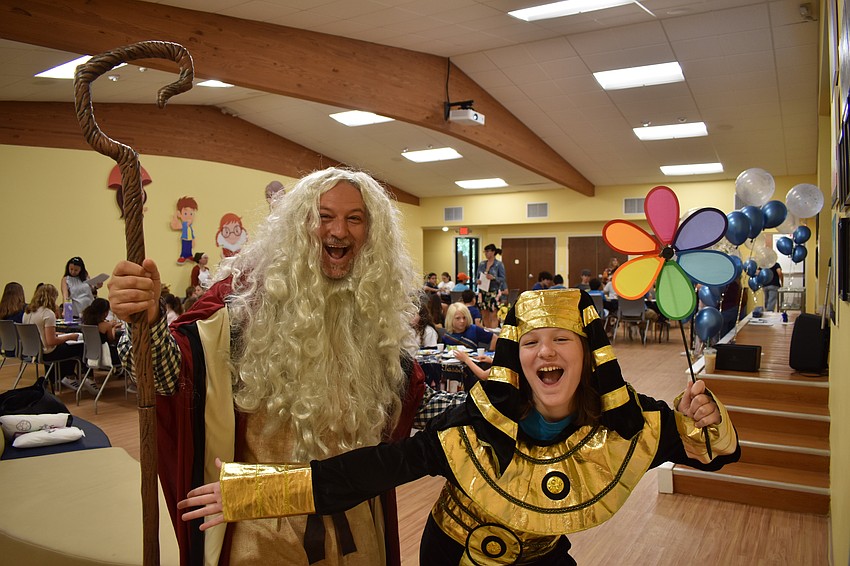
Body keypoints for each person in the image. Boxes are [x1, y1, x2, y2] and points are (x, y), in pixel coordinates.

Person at [180, 289, 740, 565]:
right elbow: (376, 470)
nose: (545, 352)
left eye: (561, 340)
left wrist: (705, 418)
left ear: (587, 352)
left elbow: (713, 454)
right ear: (516, 355)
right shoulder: (477, 422)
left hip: (540, 558)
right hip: (454, 556)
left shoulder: (624, 420)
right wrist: (256, 491)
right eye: (531, 342)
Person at [108, 167, 464, 566]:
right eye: (324, 216)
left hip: (355, 528)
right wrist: (144, 323)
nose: (339, 231)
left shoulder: (375, 314)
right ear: (299, 224)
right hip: (260, 529)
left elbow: (410, 403)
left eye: (355, 218)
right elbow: (165, 376)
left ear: (372, 233)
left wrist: (486, 405)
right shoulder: (243, 305)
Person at [23, 284, 87, 391]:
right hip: (48, 352)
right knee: (80, 347)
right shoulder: (48, 314)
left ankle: (56, 378)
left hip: (34, 351)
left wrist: (58, 334)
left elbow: (39, 332)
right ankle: (70, 376)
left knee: (65, 345)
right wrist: (69, 336)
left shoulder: (27, 312)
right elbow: (51, 341)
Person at [81, 297, 123, 366]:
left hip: (91, 356)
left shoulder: (86, 324)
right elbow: (111, 340)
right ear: (105, 313)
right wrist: (113, 328)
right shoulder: (106, 325)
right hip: (106, 356)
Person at [476, 244, 507, 326]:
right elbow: (477, 277)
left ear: (493, 252)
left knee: (493, 314)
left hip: (493, 292)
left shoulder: (499, 264)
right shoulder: (482, 264)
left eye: (488, 251)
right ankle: (486, 330)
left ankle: (493, 330)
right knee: (484, 314)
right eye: (485, 252)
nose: (486, 254)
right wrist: (477, 281)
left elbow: (503, 279)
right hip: (482, 291)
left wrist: (493, 278)